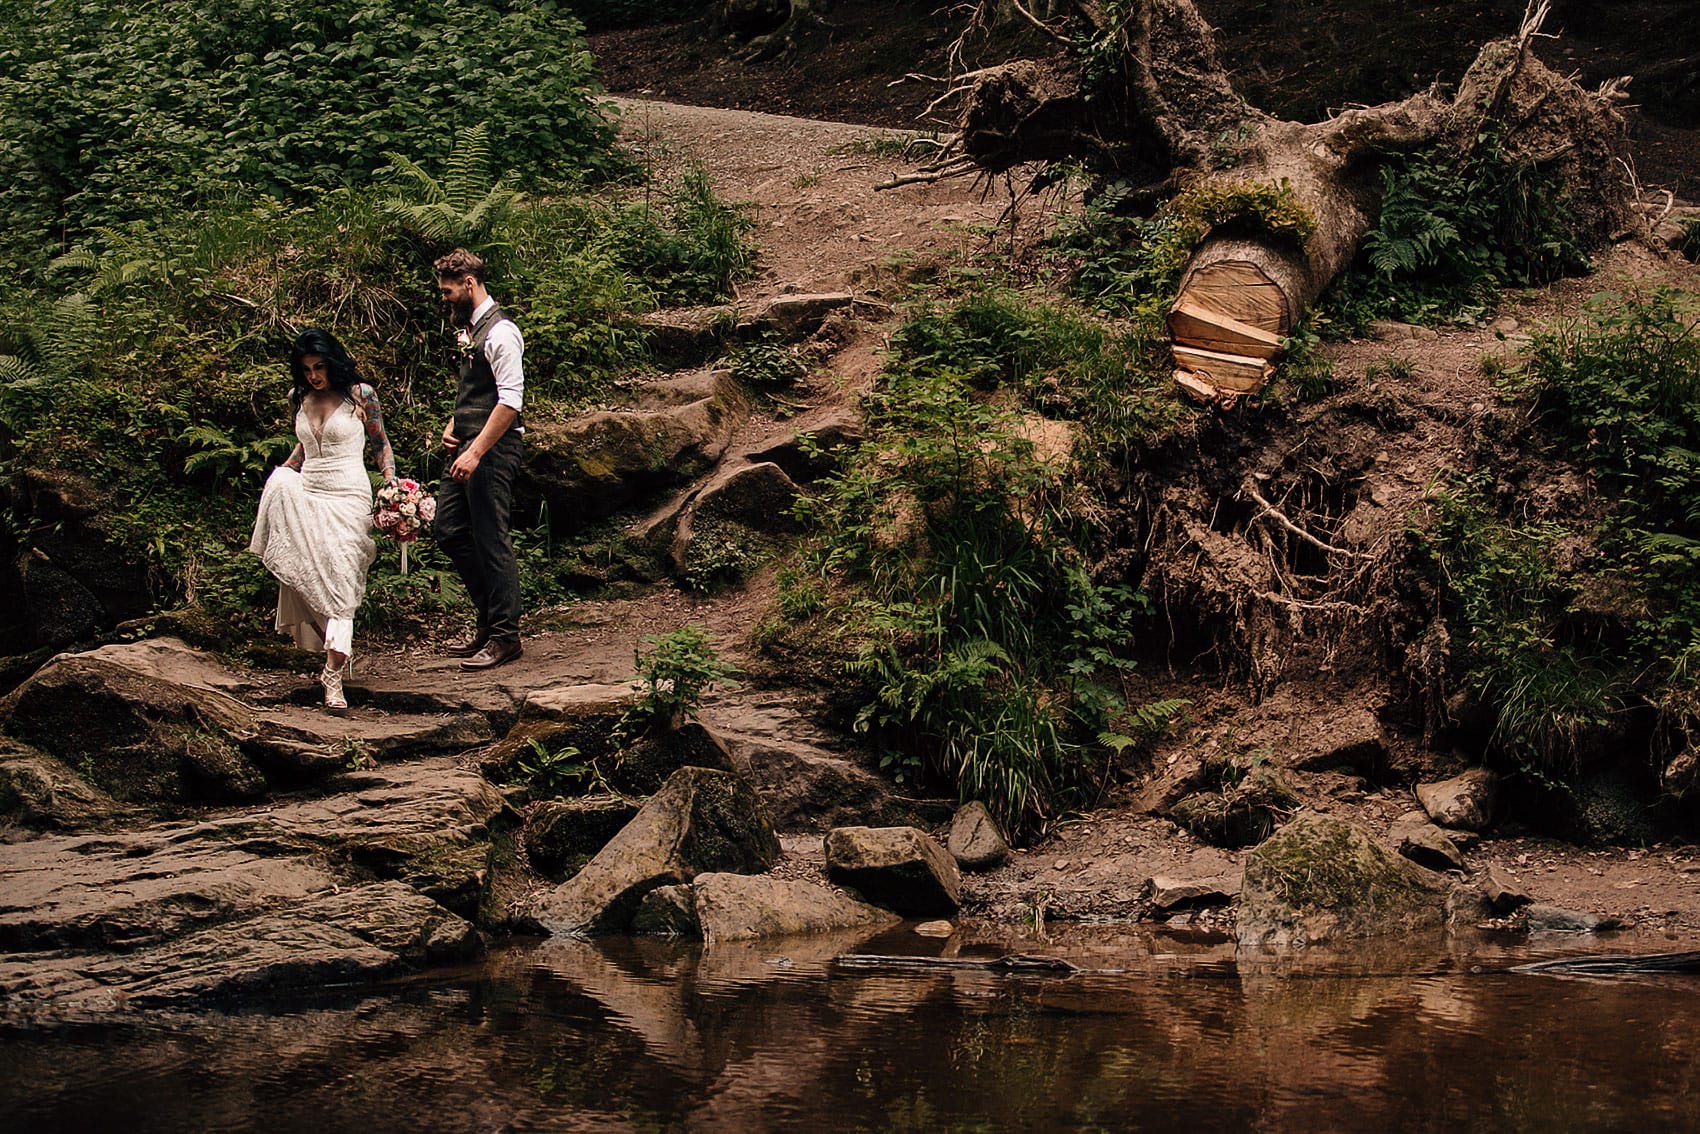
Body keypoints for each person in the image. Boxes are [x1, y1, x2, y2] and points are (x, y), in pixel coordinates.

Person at [249, 328, 395, 714]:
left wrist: (393, 486)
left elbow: (380, 444)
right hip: (309, 490)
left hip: (349, 495)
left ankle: (332, 676)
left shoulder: (360, 395)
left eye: (320, 367)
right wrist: (284, 473)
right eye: (307, 369)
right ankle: (335, 652)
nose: (314, 376)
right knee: (309, 573)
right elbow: (304, 446)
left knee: (343, 579)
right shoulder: (298, 397)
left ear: (333, 362)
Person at [433, 247, 525, 671]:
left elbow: (509, 403)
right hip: (466, 444)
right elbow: (475, 389)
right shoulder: (469, 329)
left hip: (491, 448)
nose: (445, 298)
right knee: (448, 529)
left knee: (491, 539)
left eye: (448, 291)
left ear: (469, 283)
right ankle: (489, 622)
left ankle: (505, 636)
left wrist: (475, 451)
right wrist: (455, 423)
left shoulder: (502, 332)